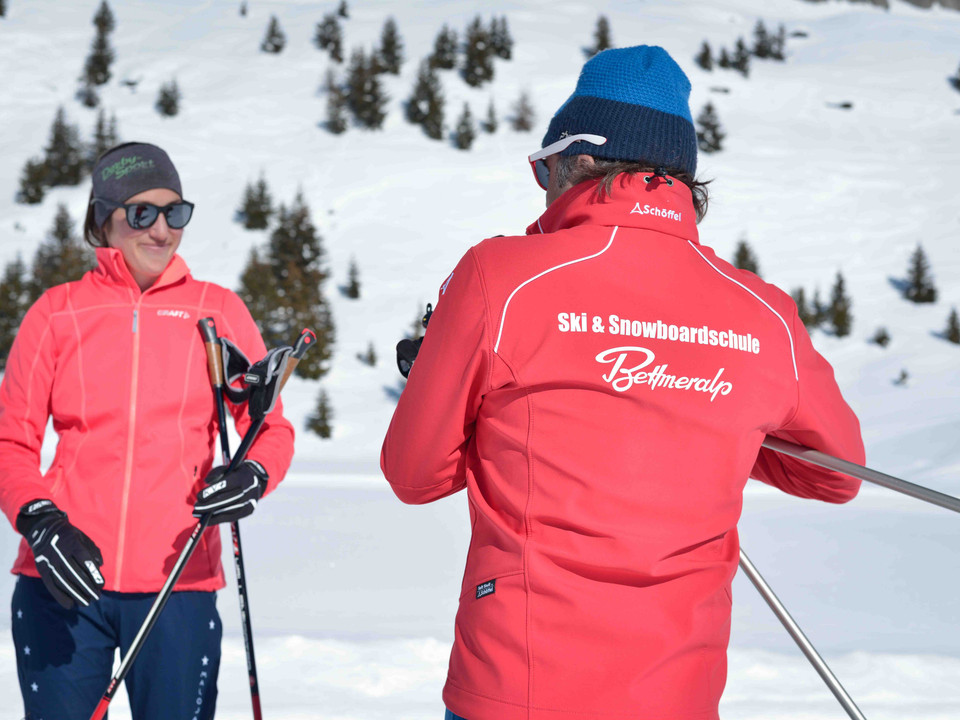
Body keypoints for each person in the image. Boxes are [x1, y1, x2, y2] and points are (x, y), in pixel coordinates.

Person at [381, 46, 865, 720]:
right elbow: (836, 473)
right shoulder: (764, 312)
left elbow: (415, 475)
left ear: (579, 158)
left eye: (543, 166)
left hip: (520, 685)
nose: (541, 186)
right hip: (679, 694)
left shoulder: (501, 277)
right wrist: (706, 416)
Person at [0, 142, 295, 720]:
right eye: (142, 213)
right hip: (63, 578)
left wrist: (253, 476)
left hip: (178, 581)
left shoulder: (217, 312)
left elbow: (269, 428)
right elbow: (11, 442)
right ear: (103, 220)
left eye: (175, 212)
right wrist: (39, 520)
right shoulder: (57, 314)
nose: (162, 230)